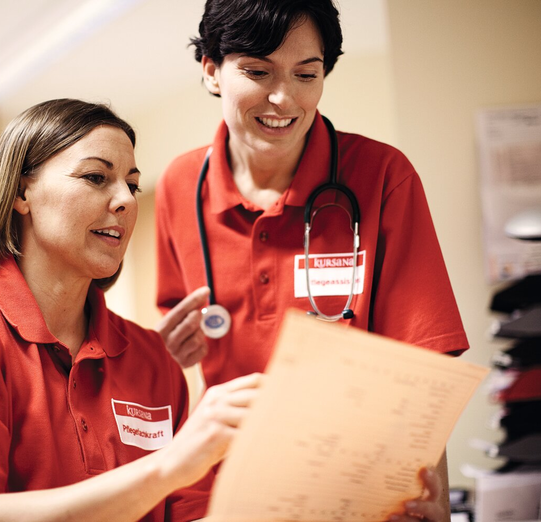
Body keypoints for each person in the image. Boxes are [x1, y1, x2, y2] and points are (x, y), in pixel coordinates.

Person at [0, 98, 261, 522]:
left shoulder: (152, 359)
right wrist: (165, 468)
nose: (126, 199)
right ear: (21, 192)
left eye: (133, 183)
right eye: (95, 177)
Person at [154, 1, 469, 520]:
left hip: (353, 484)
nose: (283, 97)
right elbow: (174, 350)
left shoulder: (383, 175)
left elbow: (421, 368)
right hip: (224, 490)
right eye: (257, 71)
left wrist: (429, 499)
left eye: (307, 74)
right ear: (211, 70)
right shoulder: (179, 185)